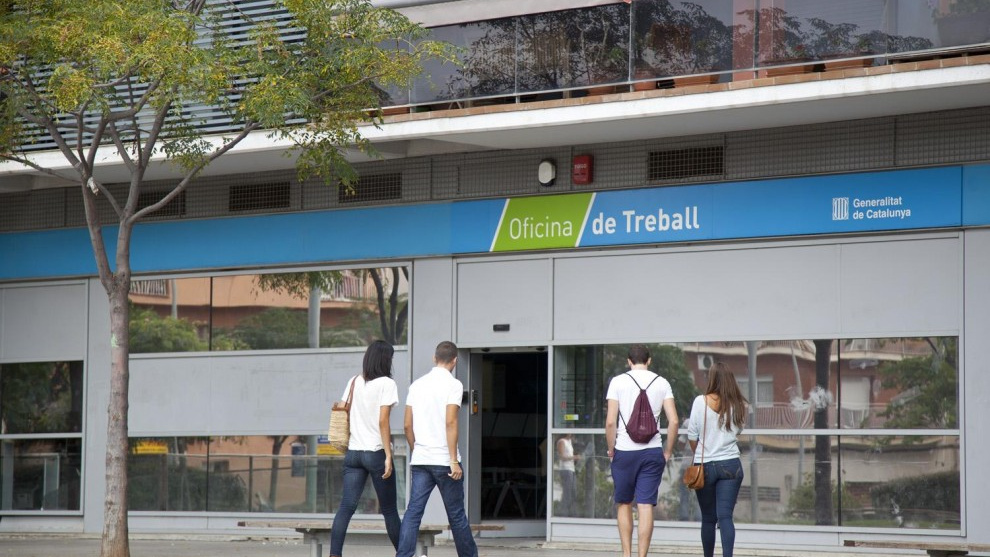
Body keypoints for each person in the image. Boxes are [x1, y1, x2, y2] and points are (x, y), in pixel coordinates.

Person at [396, 341, 477, 557]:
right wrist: (453, 460)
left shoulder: (416, 385)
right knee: (456, 515)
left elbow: (407, 425)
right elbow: (450, 422)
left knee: (413, 512)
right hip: (444, 461)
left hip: (421, 460)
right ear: (455, 361)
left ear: (434, 358)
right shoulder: (454, 385)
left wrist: (417, 450)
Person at [605, 344, 679, 557]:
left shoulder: (617, 382)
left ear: (629, 361)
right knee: (645, 505)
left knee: (624, 503)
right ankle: (642, 555)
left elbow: (610, 422)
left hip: (624, 451)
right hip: (652, 451)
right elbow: (674, 421)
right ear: (649, 360)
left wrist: (611, 449)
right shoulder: (662, 383)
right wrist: (667, 451)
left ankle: (627, 554)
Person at [329, 340, 401, 557]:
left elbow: (343, 408)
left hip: (353, 453)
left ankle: (334, 554)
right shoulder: (387, 384)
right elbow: (383, 421)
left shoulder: (354, 381)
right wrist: (388, 455)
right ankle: (405, 554)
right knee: (389, 511)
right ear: (386, 360)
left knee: (346, 507)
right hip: (375, 451)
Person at [687, 361, 747, 557]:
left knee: (708, 518)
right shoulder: (738, 404)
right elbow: (738, 431)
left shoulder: (699, 402)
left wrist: (701, 451)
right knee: (725, 517)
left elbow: (692, 436)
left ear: (711, 378)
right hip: (731, 465)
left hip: (705, 466)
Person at [555, 433, 581, 516]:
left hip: (571, 469)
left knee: (573, 492)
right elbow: (562, 457)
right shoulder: (562, 441)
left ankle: (571, 513)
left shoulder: (569, 442)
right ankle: (563, 514)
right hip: (565, 469)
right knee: (567, 493)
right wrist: (574, 457)